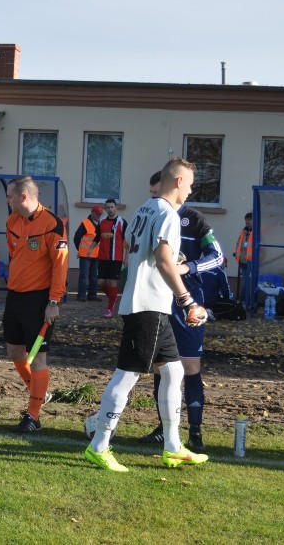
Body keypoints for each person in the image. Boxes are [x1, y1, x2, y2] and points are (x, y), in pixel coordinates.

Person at [84, 157, 209, 472]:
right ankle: (98, 446)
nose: (191, 191)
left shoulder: (143, 208)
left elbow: (132, 246)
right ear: (179, 181)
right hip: (148, 305)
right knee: (127, 375)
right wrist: (187, 299)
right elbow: (165, 260)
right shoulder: (167, 213)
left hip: (150, 304)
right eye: (191, 184)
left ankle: (173, 446)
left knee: (173, 372)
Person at [138, 201, 224, 454]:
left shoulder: (194, 219)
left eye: (157, 191)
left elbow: (217, 256)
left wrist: (188, 266)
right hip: (155, 298)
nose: (155, 197)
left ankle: (195, 431)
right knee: (160, 364)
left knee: (190, 366)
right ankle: (163, 429)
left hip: (187, 300)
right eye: (151, 193)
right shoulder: (150, 214)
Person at [3, 175, 68, 432]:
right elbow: (16, 254)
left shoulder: (52, 224)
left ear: (24, 197)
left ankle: (33, 416)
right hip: (14, 296)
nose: (7, 201)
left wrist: (53, 301)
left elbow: (60, 267)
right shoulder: (12, 221)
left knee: (38, 358)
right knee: (15, 353)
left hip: (40, 299)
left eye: (9, 196)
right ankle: (40, 393)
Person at [91, 198, 127, 318]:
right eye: (108, 207)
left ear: (115, 208)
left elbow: (127, 241)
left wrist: (126, 257)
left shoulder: (122, 222)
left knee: (112, 283)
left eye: (112, 207)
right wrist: (90, 249)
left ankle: (110, 308)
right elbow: (97, 237)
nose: (110, 209)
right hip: (103, 257)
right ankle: (113, 297)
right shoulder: (102, 222)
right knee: (101, 283)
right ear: (105, 209)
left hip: (116, 258)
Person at [74, 205, 103, 302]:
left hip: (96, 255)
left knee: (94, 276)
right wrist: (80, 250)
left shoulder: (100, 224)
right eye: (97, 214)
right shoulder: (85, 223)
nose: (99, 215)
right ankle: (81, 296)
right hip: (85, 255)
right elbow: (76, 238)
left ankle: (92, 295)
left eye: (100, 214)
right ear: (92, 213)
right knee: (84, 276)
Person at [234, 212, 254, 310]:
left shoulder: (257, 232)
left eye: (250, 220)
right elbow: (239, 244)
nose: (247, 222)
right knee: (245, 283)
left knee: (249, 283)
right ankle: (243, 302)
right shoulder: (243, 232)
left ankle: (247, 302)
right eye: (246, 220)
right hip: (243, 262)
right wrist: (237, 255)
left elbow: (261, 249)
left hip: (252, 262)